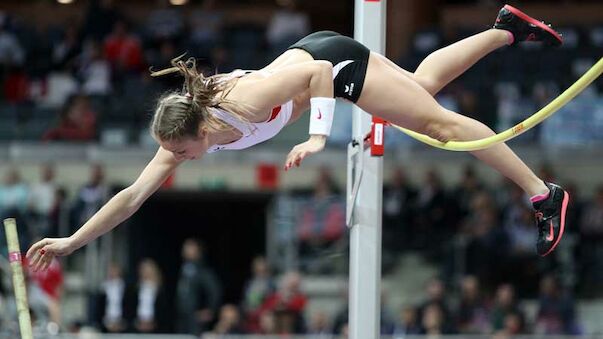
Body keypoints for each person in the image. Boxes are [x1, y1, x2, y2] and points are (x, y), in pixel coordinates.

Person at [27, 5, 569, 271]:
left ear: (199, 130)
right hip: (314, 69)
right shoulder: (185, 139)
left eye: (178, 151)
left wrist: (316, 138)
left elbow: (317, 76)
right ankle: (507, 28)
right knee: (421, 85)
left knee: (434, 123)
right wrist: (73, 241)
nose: (174, 161)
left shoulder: (243, 103)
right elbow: (129, 199)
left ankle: (543, 195)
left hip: (329, 63)